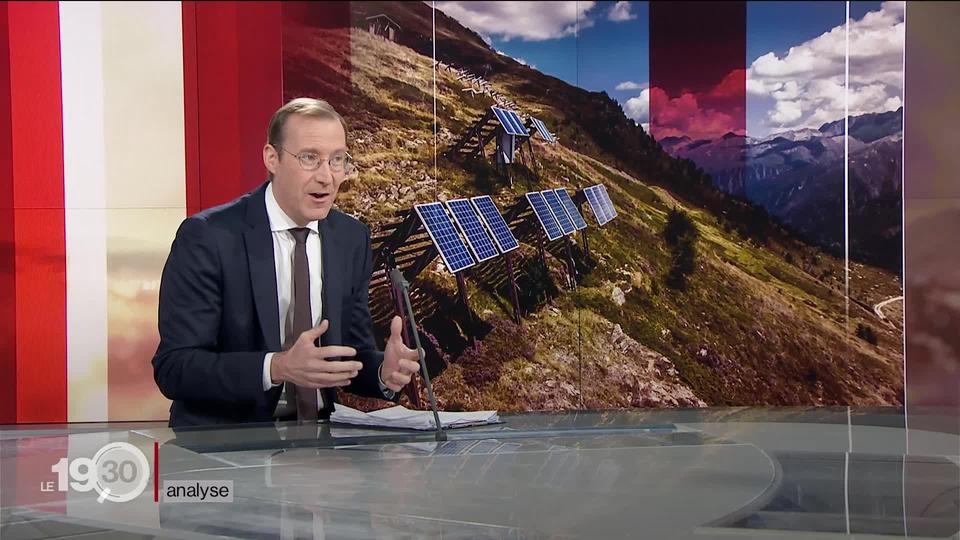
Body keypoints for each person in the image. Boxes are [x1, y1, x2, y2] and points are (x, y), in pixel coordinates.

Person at [153, 97, 421, 428]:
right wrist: (277, 367)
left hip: (321, 451)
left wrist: (383, 371)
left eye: (338, 160)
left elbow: (346, 355)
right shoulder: (210, 238)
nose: (327, 177)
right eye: (310, 158)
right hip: (229, 448)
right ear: (272, 158)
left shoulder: (350, 238)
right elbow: (175, 368)